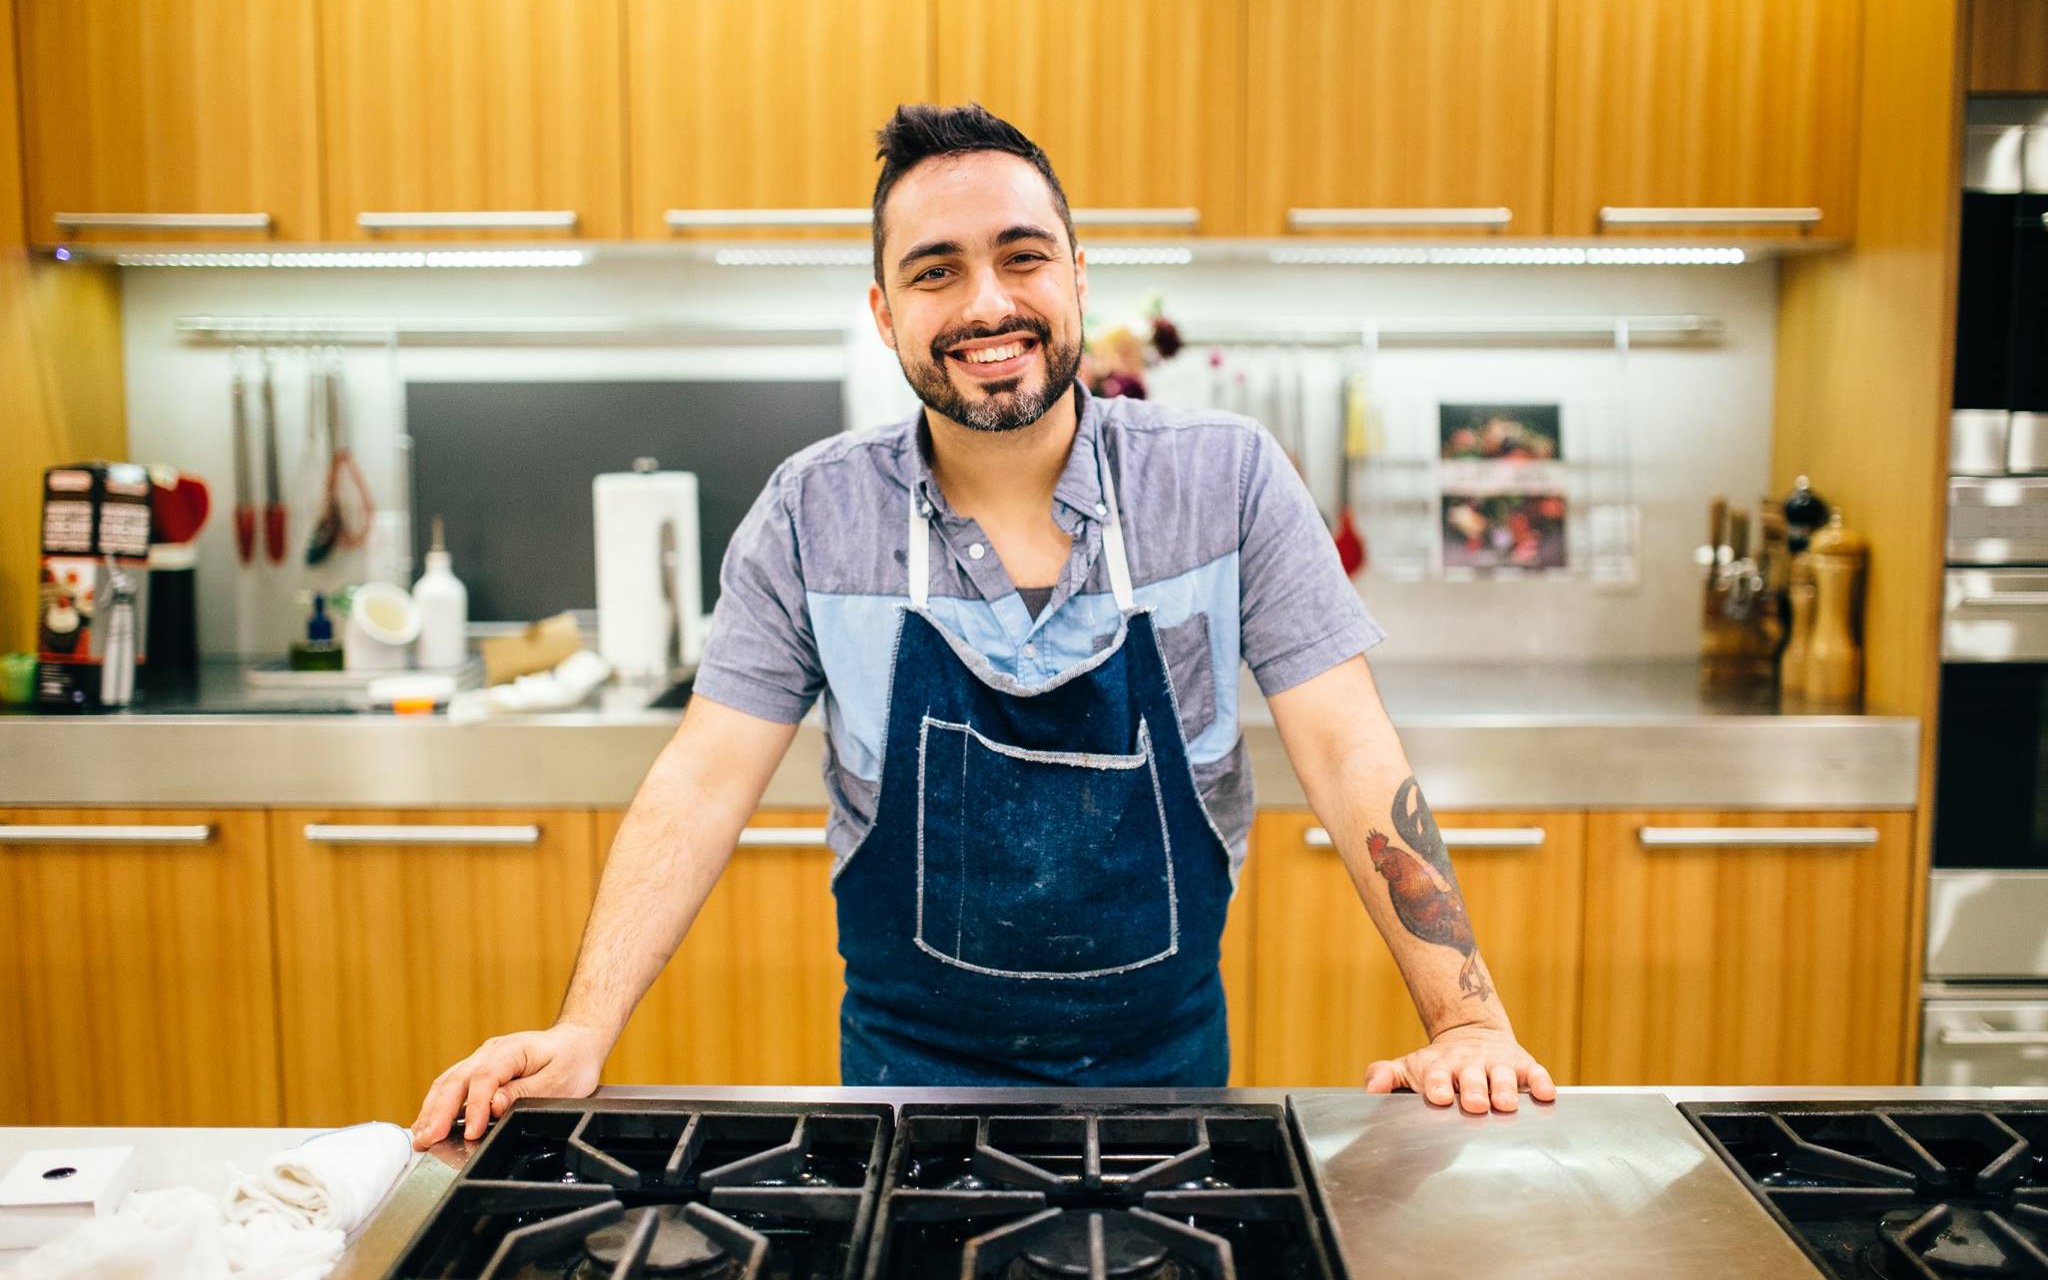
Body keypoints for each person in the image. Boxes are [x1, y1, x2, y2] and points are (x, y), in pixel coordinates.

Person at [411, 103, 1554, 1150]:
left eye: (1020, 257)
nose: (986, 305)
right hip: (901, 1091)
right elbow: (704, 776)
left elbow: (1350, 753)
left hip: (1171, 1083)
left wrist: (1467, 1021)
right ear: (883, 312)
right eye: (934, 271)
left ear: (1076, 276)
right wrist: (581, 1031)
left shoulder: (1227, 482)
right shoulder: (813, 513)